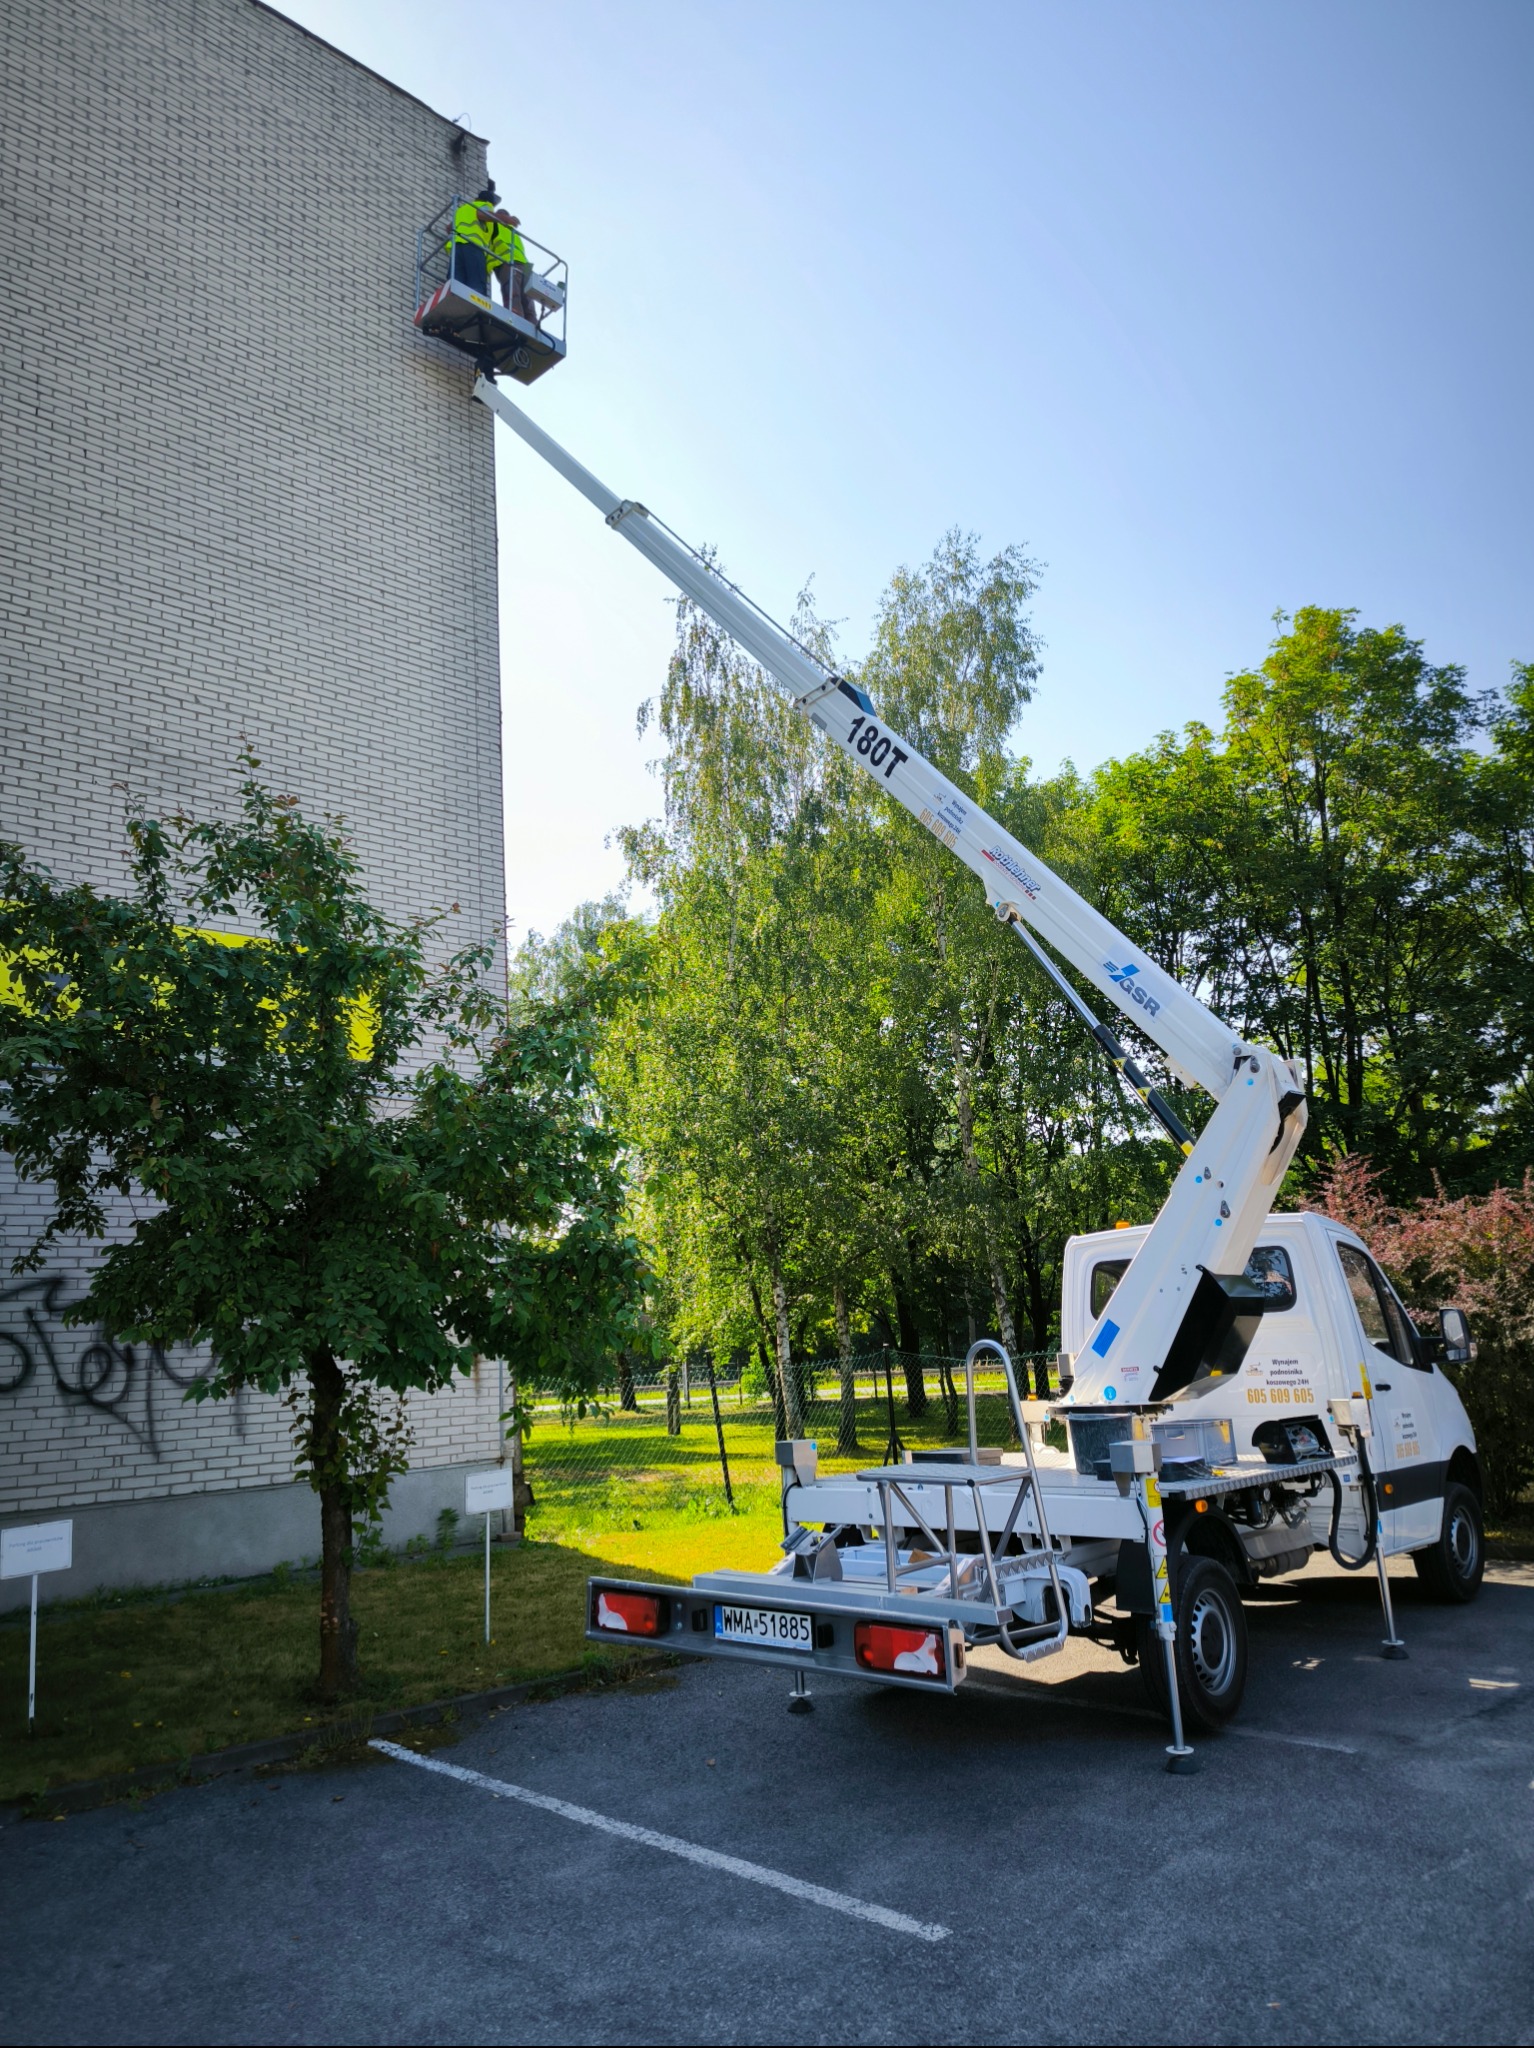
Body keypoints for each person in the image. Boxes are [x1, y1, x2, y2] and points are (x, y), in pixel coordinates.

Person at [445, 183, 499, 296]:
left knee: (455, 281)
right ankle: (475, 308)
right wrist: (505, 219)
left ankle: (452, 299)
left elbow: (449, 228)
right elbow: (482, 214)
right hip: (473, 246)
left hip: (457, 247)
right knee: (476, 282)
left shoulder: (463, 209)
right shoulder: (485, 205)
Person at [490, 210, 533, 320]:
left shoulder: (494, 224)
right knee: (527, 299)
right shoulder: (512, 230)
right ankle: (532, 324)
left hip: (508, 262)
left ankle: (515, 318)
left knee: (512, 294)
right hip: (524, 265)